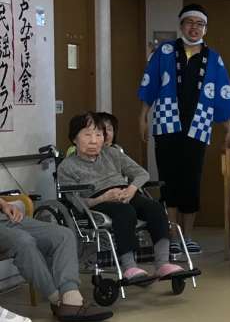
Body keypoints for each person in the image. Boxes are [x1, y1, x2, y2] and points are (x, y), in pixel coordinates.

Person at [138, 4, 230, 255]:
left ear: (205, 28)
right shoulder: (164, 51)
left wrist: (228, 127)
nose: (194, 28)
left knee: (191, 181)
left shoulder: (213, 58)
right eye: (190, 22)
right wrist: (142, 116)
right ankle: (172, 235)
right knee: (168, 180)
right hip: (166, 122)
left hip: (199, 124)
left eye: (200, 24)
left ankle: (188, 236)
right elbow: (150, 84)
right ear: (181, 25)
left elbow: (222, 93)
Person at [59, 113, 185, 285]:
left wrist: (131, 189)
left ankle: (163, 263)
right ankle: (129, 267)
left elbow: (141, 173)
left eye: (99, 135)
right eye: (87, 135)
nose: (94, 141)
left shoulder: (112, 153)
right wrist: (103, 198)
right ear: (74, 138)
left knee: (155, 208)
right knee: (125, 211)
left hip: (125, 193)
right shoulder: (67, 166)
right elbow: (76, 203)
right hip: (97, 201)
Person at [0, 196, 113, 322]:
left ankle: (70, 293)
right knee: (23, 241)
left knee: (64, 235)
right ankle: (58, 300)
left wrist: (4, 204)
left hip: (5, 219)